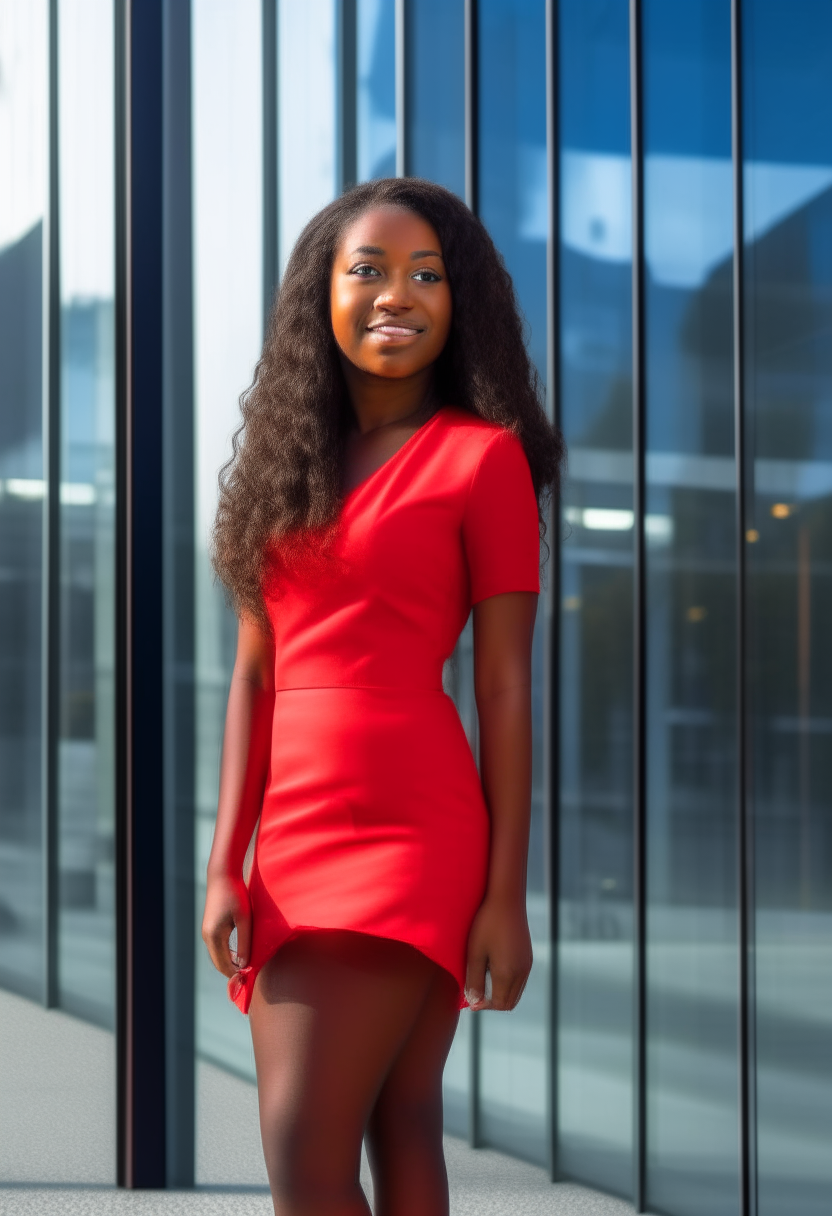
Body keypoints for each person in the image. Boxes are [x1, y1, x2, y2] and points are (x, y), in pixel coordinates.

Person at [202, 177, 564, 1216]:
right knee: (397, 1116)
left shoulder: (481, 459)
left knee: (303, 1157)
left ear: (461, 306)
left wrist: (505, 894)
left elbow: (502, 685)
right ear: (322, 293)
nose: (395, 294)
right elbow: (256, 674)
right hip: (295, 843)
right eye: (366, 269)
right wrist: (226, 861)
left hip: (413, 831)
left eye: (426, 274)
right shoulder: (287, 472)